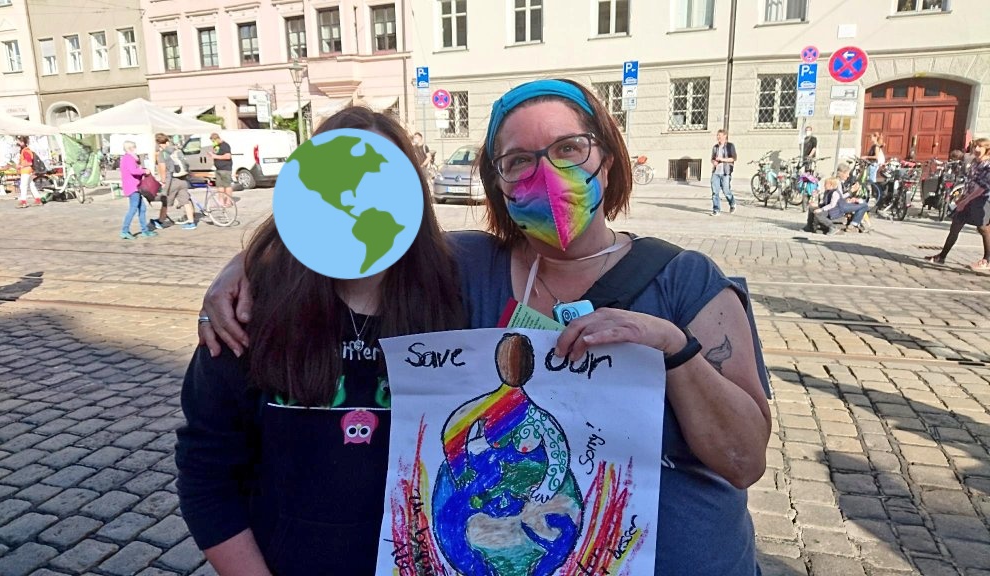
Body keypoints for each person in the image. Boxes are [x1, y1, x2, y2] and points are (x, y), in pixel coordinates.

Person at [197, 79, 771, 575]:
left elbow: (744, 460)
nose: (547, 173)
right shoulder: (469, 265)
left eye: (569, 148)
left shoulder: (686, 281)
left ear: (609, 157)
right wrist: (250, 265)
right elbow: (355, 228)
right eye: (518, 160)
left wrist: (673, 347)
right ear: (498, 183)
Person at [176, 107, 468, 575]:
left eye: (382, 186)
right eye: (339, 186)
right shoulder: (248, 313)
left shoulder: (456, 292)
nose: (358, 204)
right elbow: (207, 475)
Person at [925, 137, 990, 271]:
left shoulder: (987, 166)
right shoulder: (974, 162)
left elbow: (982, 188)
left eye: (980, 147)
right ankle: (942, 256)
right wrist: (962, 197)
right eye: (975, 146)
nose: (976, 149)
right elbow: (969, 182)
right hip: (969, 198)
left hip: (982, 200)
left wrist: (966, 200)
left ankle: (987, 260)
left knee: (983, 228)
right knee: (956, 225)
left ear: (987, 149)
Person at [150, 133, 196, 230]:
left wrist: (163, 181)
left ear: (158, 143)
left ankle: (160, 221)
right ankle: (191, 222)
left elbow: (162, 169)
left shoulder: (162, 154)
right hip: (183, 179)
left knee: (165, 201)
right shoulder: (177, 150)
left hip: (172, 181)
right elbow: (186, 164)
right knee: (186, 201)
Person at [119, 141, 157, 240]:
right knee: (133, 209)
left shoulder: (127, 158)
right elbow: (133, 171)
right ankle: (124, 231)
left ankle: (144, 230)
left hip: (134, 187)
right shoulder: (129, 158)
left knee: (142, 208)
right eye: (134, 147)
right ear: (130, 148)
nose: (135, 149)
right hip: (133, 187)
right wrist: (144, 171)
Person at [710, 129, 737, 215]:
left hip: (726, 172)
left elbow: (733, 158)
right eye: (717, 135)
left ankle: (732, 203)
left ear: (725, 136)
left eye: (720, 135)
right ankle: (716, 210)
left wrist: (722, 159)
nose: (718, 137)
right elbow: (712, 158)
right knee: (715, 192)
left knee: (726, 191)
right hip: (716, 172)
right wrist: (713, 162)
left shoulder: (730, 146)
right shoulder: (715, 147)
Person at [15, 136, 43, 208]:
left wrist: (20, 166)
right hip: (28, 171)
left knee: (23, 186)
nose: (17, 143)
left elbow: (29, 162)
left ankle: (23, 202)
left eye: (19, 141)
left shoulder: (25, 151)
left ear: (22, 142)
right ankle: (38, 200)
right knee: (31, 185)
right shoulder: (26, 150)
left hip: (26, 171)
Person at [209, 132, 234, 207]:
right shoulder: (216, 146)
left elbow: (228, 156)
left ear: (217, 139)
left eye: (214, 141)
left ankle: (228, 201)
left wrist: (215, 156)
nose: (213, 143)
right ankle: (221, 201)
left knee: (227, 186)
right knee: (220, 186)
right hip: (218, 169)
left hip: (225, 169)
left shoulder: (225, 145)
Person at [861, 132, 886, 206]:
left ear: (875, 138)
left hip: (874, 164)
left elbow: (876, 157)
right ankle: (871, 194)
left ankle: (874, 195)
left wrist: (866, 157)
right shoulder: (875, 146)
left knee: (872, 180)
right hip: (871, 164)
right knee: (870, 179)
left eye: (871, 137)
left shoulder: (876, 147)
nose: (870, 138)